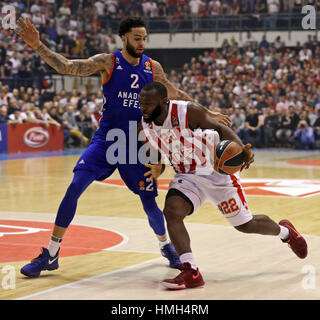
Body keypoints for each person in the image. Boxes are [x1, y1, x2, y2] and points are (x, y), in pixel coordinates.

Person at [15, 17, 230, 277]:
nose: (142, 43)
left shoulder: (152, 68)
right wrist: (39, 46)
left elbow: (174, 93)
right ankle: (51, 253)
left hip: (137, 143)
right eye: (137, 38)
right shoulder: (109, 62)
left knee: (149, 203)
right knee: (74, 187)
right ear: (124, 38)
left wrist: (207, 114)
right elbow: (69, 67)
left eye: (144, 38)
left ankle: (165, 246)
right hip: (107, 139)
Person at [138, 82, 308, 290]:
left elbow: (220, 128)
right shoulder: (145, 124)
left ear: (164, 102)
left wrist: (242, 149)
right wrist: (156, 169)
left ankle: (286, 233)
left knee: (245, 225)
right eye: (140, 102)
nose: (142, 107)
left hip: (215, 171)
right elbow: (158, 157)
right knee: (172, 212)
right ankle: (191, 271)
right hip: (187, 175)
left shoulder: (188, 111)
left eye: (147, 103)